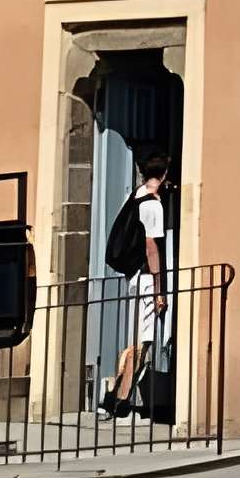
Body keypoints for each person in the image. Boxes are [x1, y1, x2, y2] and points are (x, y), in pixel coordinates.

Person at [100, 151, 173, 419]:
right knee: (142, 342)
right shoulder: (152, 205)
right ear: (164, 174)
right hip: (146, 279)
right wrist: (159, 290)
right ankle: (120, 400)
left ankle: (116, 395)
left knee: (136, 338)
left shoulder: (136, 195)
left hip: (134, 277)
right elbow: (151, 248)